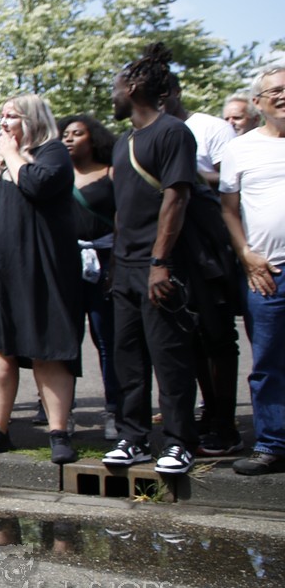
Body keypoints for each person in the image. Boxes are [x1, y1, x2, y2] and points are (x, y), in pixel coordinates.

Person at [0, 96, 82, 464]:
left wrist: (12, 153)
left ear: (32, 119)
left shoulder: (52, 152)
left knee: (47, 346)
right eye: (2, 116)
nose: (3, 122)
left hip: (37, 266)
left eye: (11, 116)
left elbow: (37, 185)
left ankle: (59, 432)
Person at [101, 43, 200, 475]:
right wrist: (116, 263)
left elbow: (176, 199)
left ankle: (179, 442)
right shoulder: (124, 141)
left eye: (116, 87)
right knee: (127, 357)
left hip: (160, 265)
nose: (112, 95)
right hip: (125, 267)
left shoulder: (173, 133)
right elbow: (122, 207)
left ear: (133, 88)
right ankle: (134, 438)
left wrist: (160, 262)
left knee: (169, 356)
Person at [164, 85, 244, 457]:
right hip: (176, 246)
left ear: (174, 92)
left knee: (218, 335)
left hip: (209, 244)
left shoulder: (212, 127)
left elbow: (232, 183)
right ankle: (209, 413)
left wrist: (187, 173)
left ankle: (226, 424)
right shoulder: (146, 131)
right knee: (192, 337)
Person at [220, 68, 285, 475]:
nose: (284, 96)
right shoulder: (240, 149)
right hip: (269, 271)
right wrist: (245, 253)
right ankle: (273, 444)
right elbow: (228, 209)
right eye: (275, 91)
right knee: (268, 362)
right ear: (258, 102)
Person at [58, 114, 122, 441]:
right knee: (66, 340)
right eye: (65, 134)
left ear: (93, 139)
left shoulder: (111, 173)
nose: (69, 139)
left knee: (106, 338)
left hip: (106, 260)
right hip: (67, 262)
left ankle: (114, 409)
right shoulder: (58, 175)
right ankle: (62, 411)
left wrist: (117, 264)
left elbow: (122, 218)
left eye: (77, 133)